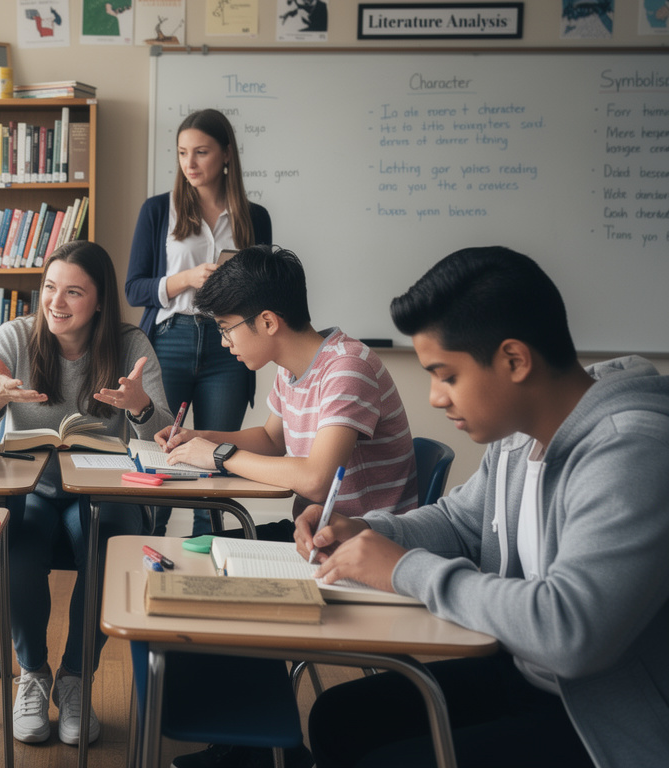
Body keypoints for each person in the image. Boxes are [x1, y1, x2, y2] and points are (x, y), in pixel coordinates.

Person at [300, 247, 669, 768]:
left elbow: (572, 631)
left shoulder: (631, 449)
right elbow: (459, 521)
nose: (434, 397)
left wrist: (404, 569)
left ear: (515, 360)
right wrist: (360, 529)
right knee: (339, 717)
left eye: (446, 375)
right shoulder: (519, 437)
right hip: (531, 676)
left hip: (609, 722)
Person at [0, 241, 171, 746]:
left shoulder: (131, 344)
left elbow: (165, 439)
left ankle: (76, 678)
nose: (56, 302)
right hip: (30, 487)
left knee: (111, 538)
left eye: (73, 292)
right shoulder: (12, 338)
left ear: (99, 301)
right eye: (50, 288)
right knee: (19, 543)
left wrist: (140, 409)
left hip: (97, 491)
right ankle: (32, 674)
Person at [161, 245, 417, 524]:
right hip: (315, 535)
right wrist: (199, 438)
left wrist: (219, 456)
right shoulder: (289, 369)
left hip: (360, 542)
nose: (224, 341)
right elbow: (271, 440)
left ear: (268, 321)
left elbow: (316, 479)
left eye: (226, 329)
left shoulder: (348, 368)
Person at [126, 108, 273, 537]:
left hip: (228, 348)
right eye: (182, 153)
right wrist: (187, 279)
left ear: (226, 154)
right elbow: (134, 288)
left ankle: (206, 563)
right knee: (163, 457)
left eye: (201, 152)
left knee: (213, 464)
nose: (190, 164)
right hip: (168, 342)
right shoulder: (158, 211)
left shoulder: (255, 217)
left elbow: (266, 289)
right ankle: (144, 553)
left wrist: (235, 284)